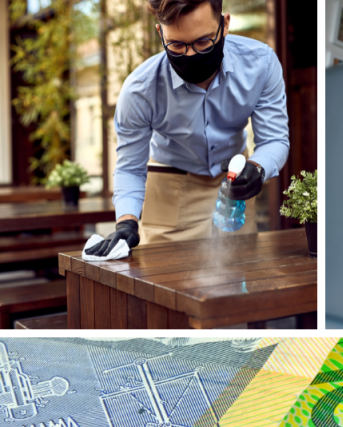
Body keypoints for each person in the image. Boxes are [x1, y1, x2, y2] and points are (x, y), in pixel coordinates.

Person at [85, 0, 290, 258]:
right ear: (160, 33)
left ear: (224, 25)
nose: (191, 55)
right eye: (177, 45)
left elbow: (275, 140)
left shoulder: (261, 64)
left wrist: (258, 169)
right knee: (163, 287)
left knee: (239, 282)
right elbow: (129, 167)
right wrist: (126, 221)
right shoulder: (140, 89)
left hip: (235, 188)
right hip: (170, 192)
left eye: (203, 42)